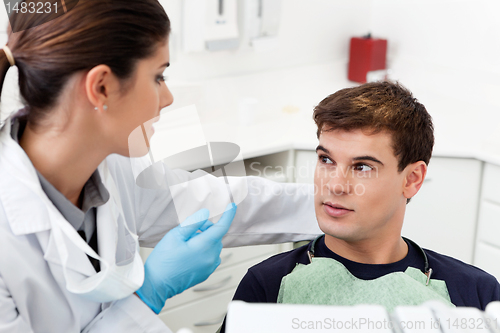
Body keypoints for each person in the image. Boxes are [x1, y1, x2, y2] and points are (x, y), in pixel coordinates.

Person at [0, 1, 321, 332]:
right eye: (158, 76)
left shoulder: (114, 169)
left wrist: (335, 207)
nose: (167, 98)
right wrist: (147, 296)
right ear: (102, 87)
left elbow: (224, 200)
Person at [219, 81, 500, 332]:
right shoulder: (265, 286)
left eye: (362, 166)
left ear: (412, 179)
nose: (336, 185)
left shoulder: (476, 294)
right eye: (326, 160)